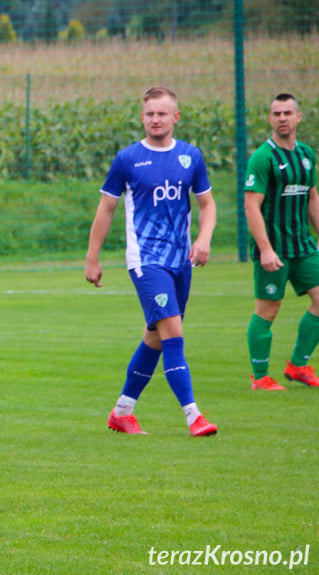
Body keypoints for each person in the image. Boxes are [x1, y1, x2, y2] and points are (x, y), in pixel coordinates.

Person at [85, 86, 218, 437]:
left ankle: (123, 411)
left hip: (181, 261)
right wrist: (92, 258)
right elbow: (106, 209)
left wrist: (203, 238)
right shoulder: (128, 159)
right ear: (142, 117)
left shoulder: (191, 156)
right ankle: (193, 416)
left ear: (175, 117)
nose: (155, 120)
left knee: (155, 338)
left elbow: (207, 204)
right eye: (149, 114)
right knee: (173, 333)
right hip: (146, 261)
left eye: (162, 114)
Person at [245, 93, 319, 391]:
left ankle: (298, 365)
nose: (282, 118)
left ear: (298, 117)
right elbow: (251, 206)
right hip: (274, 249)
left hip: (302, 247)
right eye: (276, 113)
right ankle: (259, 377)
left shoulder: (307, 154)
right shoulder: (263, 157)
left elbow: (312, 198)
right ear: (270, 118)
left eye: (288, 113)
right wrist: (264, 249)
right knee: (268, 309)